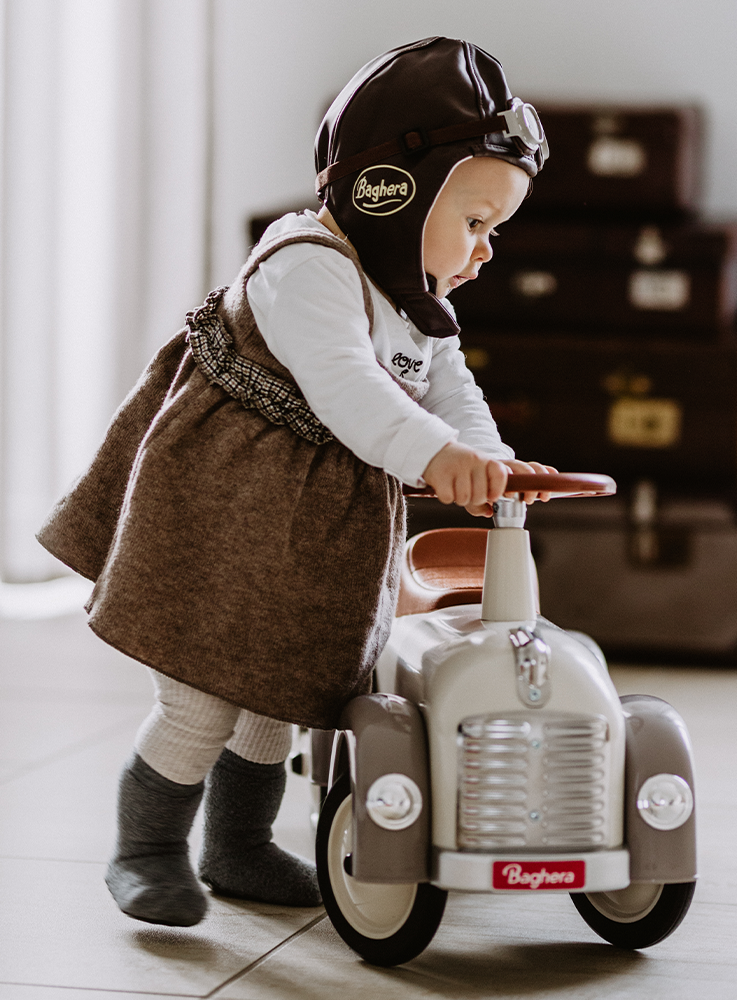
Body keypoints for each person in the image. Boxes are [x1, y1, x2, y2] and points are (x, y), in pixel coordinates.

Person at [37, 36, 551, 928]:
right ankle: (147, 849)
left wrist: (490, 459)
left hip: (310, 528)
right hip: (227, 506)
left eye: (493, 231)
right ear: (390, 192)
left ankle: (237, 848)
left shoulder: (415, 295)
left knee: (277, 691)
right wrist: (434, 457)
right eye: (472, 223)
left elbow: (450, 388)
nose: (484, 250)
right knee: (202, 695)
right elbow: (350, 390)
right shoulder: (306, 262)